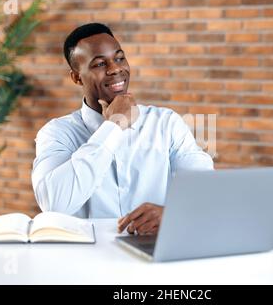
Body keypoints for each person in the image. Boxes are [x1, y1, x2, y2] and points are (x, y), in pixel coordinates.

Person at [32, 23, 213, 235]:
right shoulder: (57, 133)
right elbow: (55, 204)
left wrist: (172, 213)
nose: (115, 68)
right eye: (99, 64)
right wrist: (113, 127)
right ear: (77, 77)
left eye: (119, 58)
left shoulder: (166, 123)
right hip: (86, 259)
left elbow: (205, 191)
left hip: (152, 254)